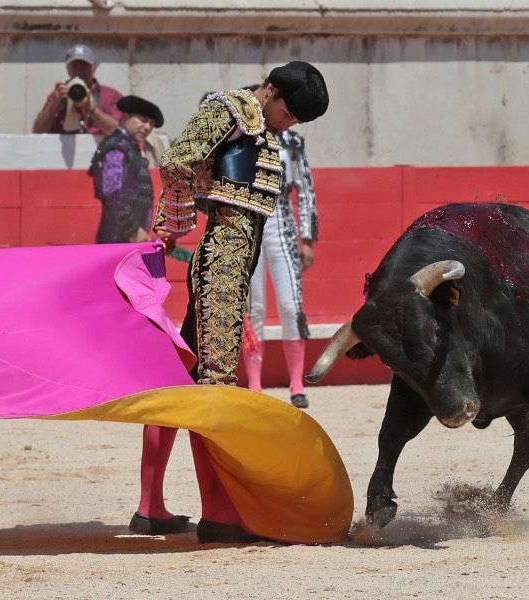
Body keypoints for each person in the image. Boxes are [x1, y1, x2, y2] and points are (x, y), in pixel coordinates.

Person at [145, 61, 329, 543]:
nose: (288, 124)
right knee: (215, 386)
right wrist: (178, 220)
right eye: (287, 112)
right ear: (269, 90)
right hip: (223, 262)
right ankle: (220, 515)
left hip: (233, 263)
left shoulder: (260, 123)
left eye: (295, 121)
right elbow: (178, 158)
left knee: (181, 379)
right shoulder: (230, 107)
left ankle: (151, 506)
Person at [244, 128, 319, 409]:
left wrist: (308, 238)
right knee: (255, 308)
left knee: (290, 306)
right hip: (248, 228)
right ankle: (254, 385)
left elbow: (305, 189)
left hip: (283, 227)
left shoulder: (291, 140)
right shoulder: (243, 134)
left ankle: (297, 385)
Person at [88, 95, 164, 244]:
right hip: (116, 241)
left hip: (124, 240)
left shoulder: (129, 148)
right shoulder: (116, 148)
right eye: (143, 120)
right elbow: (112, 192)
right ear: (124, 117)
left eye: (151, 123)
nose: (148, 128)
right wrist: (133, 230)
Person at [32, 43, 123, 135]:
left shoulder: (110, 96)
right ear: (68, 69)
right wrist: (53, 105)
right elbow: (38, 132)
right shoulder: (58, 95)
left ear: (93, 68)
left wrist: (92, 110)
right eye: (74, 66)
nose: (79, 71)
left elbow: (121, 133)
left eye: (84, 66)